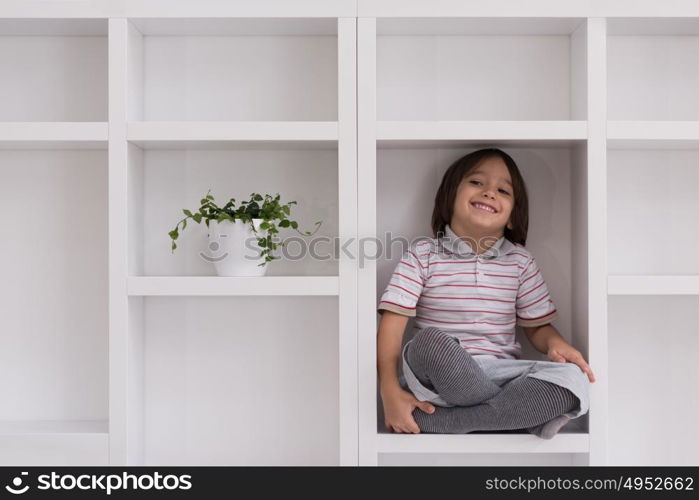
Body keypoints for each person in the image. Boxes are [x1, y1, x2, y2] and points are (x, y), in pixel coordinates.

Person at [376, 148, 595, 438]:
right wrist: (389, 392)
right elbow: (391, 329)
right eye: (477, 183)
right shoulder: (424, 254)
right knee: (428, 342)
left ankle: (454, 422)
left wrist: (556, 344)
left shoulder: (520, 261)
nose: (490, 192)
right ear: (449, 197)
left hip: (500, 374)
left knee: (573, 380)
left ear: (513, 217)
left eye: (503, 190)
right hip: (438, 378)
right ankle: (513, 417)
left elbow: (538, 327)